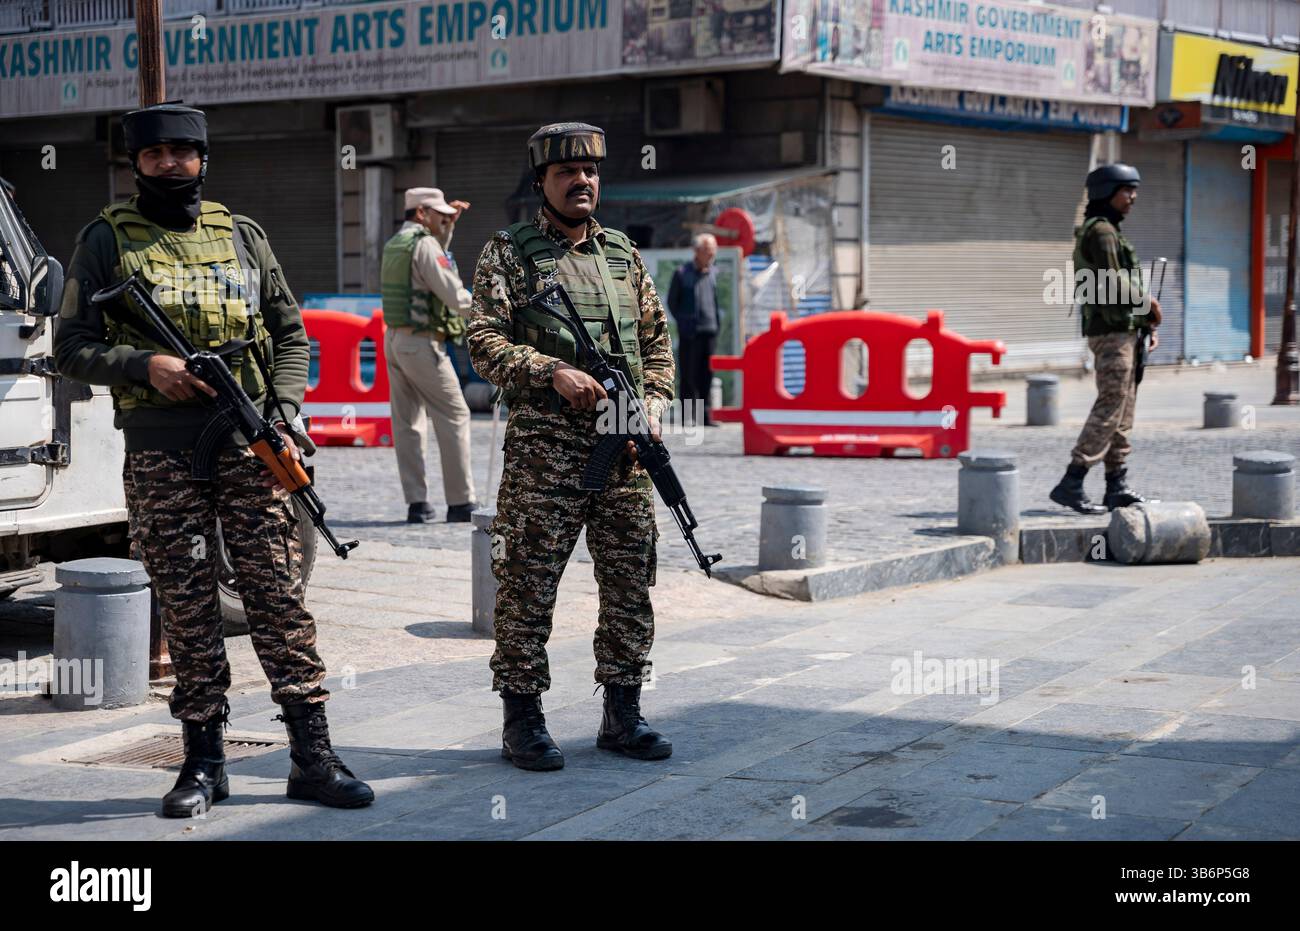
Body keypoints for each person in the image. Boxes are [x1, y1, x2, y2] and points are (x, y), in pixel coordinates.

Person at [53, 103, 373, 817]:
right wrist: (145, 364)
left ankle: (313, 757)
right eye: (155, 153)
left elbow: (292, 337)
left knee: (278, 600)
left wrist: (284, 416)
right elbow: (69, 345)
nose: (170, 164)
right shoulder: (106, 241)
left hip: (250, 443)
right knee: (189, 607)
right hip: (163, 452)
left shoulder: (243, 237)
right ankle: (203, 761)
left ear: (203, 159)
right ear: (135, 163)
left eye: (182, 152)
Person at [466, 122, 676, 771]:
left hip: (626, 450)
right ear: (542, 183)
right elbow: (481, 339)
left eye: (589, 172)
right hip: (545, 453)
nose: (581, 182)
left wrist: (658, 404)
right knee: (527, 583)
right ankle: (522, 718)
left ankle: (623, 711)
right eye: (566, 173)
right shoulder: (510, 252)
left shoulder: (622, 256)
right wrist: (546, 369)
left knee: (629, 582)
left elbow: (658, 346)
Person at [1050, 162, 1162, 515]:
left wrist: (1145, 324)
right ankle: (1073, 480)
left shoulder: (1110, 229)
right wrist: (1148, 305)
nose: (1133, 197)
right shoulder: (1100, 232)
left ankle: (1117, 485)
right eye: (1126, 190)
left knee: (1123, 410)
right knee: (1110, 406)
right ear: (1106, 192)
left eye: (1134, 190)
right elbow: (1114, 283)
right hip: (1110, 334)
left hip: (1125, 331)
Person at [381, 187, 478, 523]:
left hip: (394, 339)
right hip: (422, 344)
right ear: (421, 213)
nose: (444, 217)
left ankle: (417, 504)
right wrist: (491, 311)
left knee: (408, 423)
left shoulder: (397, 242)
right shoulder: (424, 244)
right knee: (454, 413)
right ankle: (461, 502)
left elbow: (431, 267)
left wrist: (447, 225)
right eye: (438, 213)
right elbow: (453, 293)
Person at [666, 232, 721, 426]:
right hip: (690, 332)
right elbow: (672, 302)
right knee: (689, 375)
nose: (712, 254)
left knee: (706, 375)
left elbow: (715, 301)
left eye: (713, 250)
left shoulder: (713, 273)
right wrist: (684, 322)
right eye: (708, 250)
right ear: (697, 251)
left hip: (710, 331)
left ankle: (705, 416)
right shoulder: (682, 273)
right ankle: (689, 417)